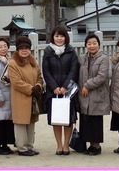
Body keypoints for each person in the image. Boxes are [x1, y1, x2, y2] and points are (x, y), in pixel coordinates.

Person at [42, 26, 79, 156]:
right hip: (53, 91)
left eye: (62, 36)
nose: (59, 38)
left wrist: (65, 87)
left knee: (68, 119)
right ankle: (58, 145)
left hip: (67, 91)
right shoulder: (48, 51)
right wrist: (54, 87)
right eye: (57, 36)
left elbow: (74, 71)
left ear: (66, 38)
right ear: (53, 37)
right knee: (56, 119)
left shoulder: (71, 51)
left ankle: (66, 145)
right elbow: (46, 71)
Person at [8, 36, 44, 156]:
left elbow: (40, 77)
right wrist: (31, 89)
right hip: (20, 98)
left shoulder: (33, 62)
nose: (24, 50)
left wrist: (39, 86)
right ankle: (22, 148)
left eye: (27, 48)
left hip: (32, 98)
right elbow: (16, 82)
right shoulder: (13, 64)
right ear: (17, 50)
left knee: (31, 122)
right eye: (22, 48)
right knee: (21, 123)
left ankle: (30, 146)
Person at [78, 34, 110, 156]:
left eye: (94, 43)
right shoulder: (82, 58)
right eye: (89, 43)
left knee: (95, 120)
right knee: (86, 119)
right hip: (84, 94)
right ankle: (87, 144)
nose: (92, 46)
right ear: (85, 45)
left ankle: (96, 145)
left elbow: (102, 76)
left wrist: (87, 85)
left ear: (99, 44)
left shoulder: (103, 58)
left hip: (97, 93)